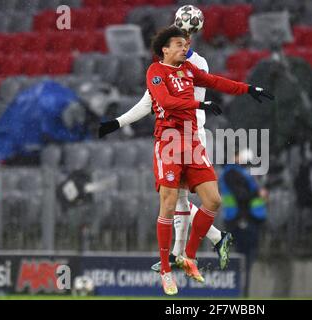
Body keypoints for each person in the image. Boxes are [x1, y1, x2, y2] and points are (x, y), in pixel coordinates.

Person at [104, 26, 273, 295]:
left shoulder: (188, 70)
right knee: (169, 204)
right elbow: (166, 102)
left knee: (213, 200)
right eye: (179, 44)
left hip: (192, 141)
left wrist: (248, 88)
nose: (185, 48)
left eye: (186, 44)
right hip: (169, 142)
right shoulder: (156, 72)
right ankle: (166, 269)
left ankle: (188, 257)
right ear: (165, 49)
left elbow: (215, 81)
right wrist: (199, 105)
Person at [98, 5, 234, 273]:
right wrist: (117, 122)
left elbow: (180, 103)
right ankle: (203, 244)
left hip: (191, 136)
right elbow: (148, 102)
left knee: (176, 200)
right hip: (174, 137)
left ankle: (180, 254)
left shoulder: (197, 64)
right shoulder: (164, 67)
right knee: (174, 199)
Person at [219, 148, 267, 296]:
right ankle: (241, 293)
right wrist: (258, 193)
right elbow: (242, 196)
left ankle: (242, 292)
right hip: (241, 221)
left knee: (245, 259)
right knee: (243, 259)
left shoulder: (237, 172)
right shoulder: (233, 173)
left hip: (244, 219)